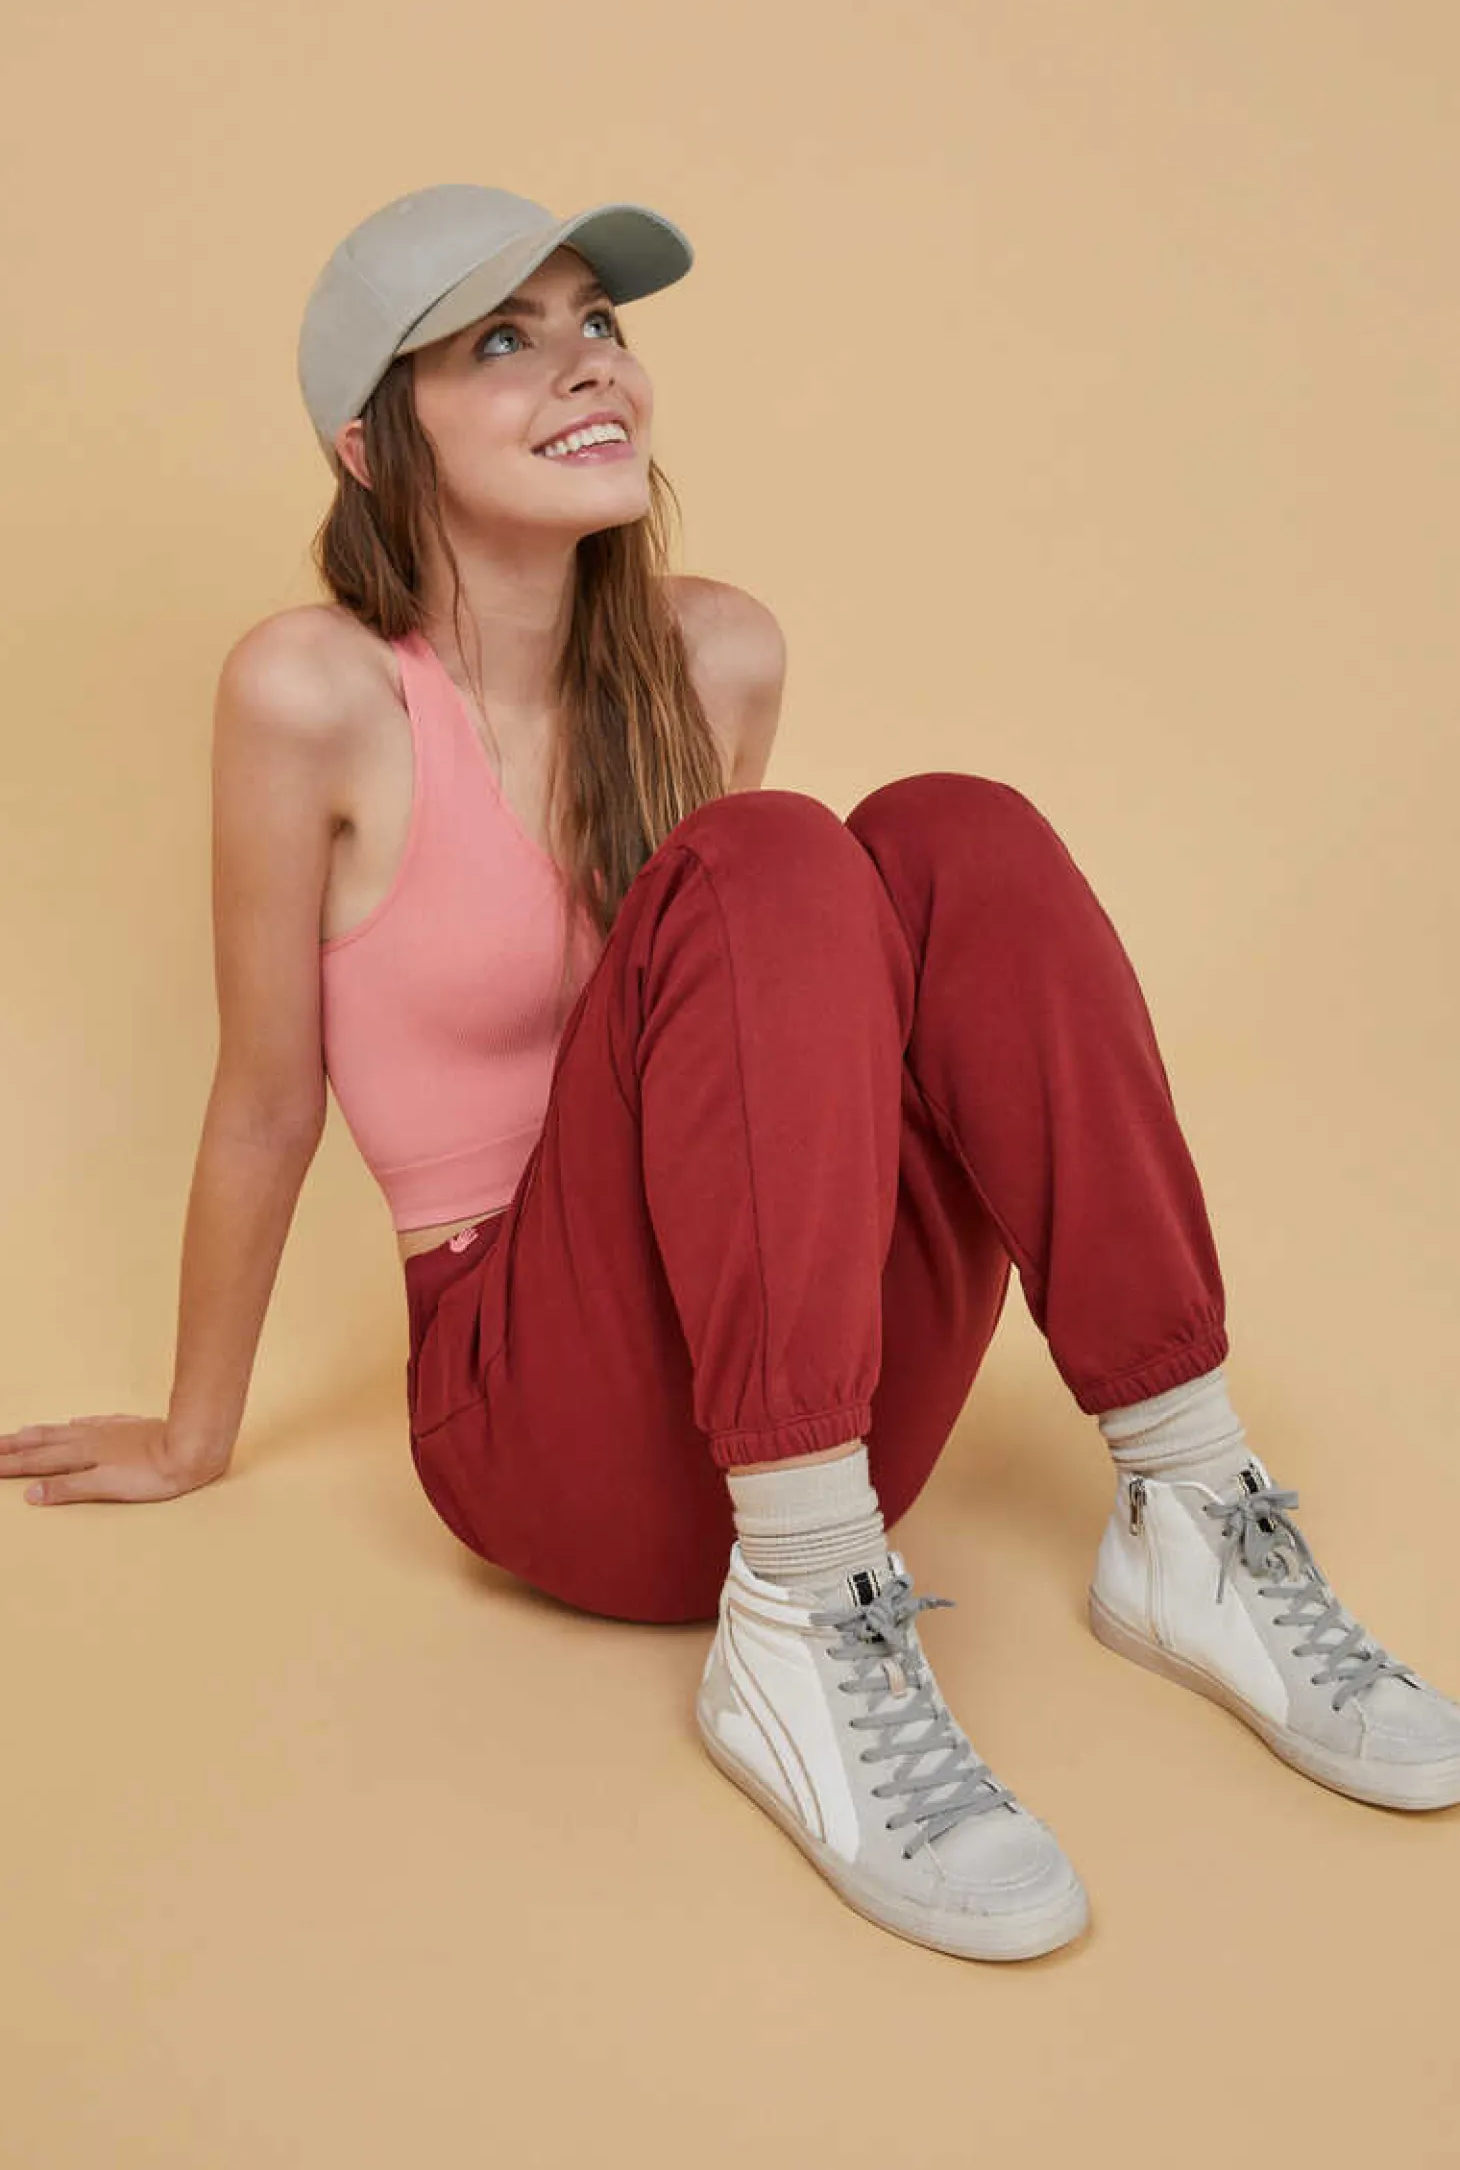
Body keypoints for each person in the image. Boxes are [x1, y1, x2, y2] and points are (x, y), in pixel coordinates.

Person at [5, 184, 1457, 1966]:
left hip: (804, 1395)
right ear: (372, 445)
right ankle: (798, 1622)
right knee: (771, 855)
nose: (584, 365)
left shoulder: (721, 654)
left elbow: (764, 1063)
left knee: (956, 835)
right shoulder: (314, 694)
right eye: (504, 340)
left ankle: (1191, 1505)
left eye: (599, 323)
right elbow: (264, 1096)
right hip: (541, 1429)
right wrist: (192, 1428)